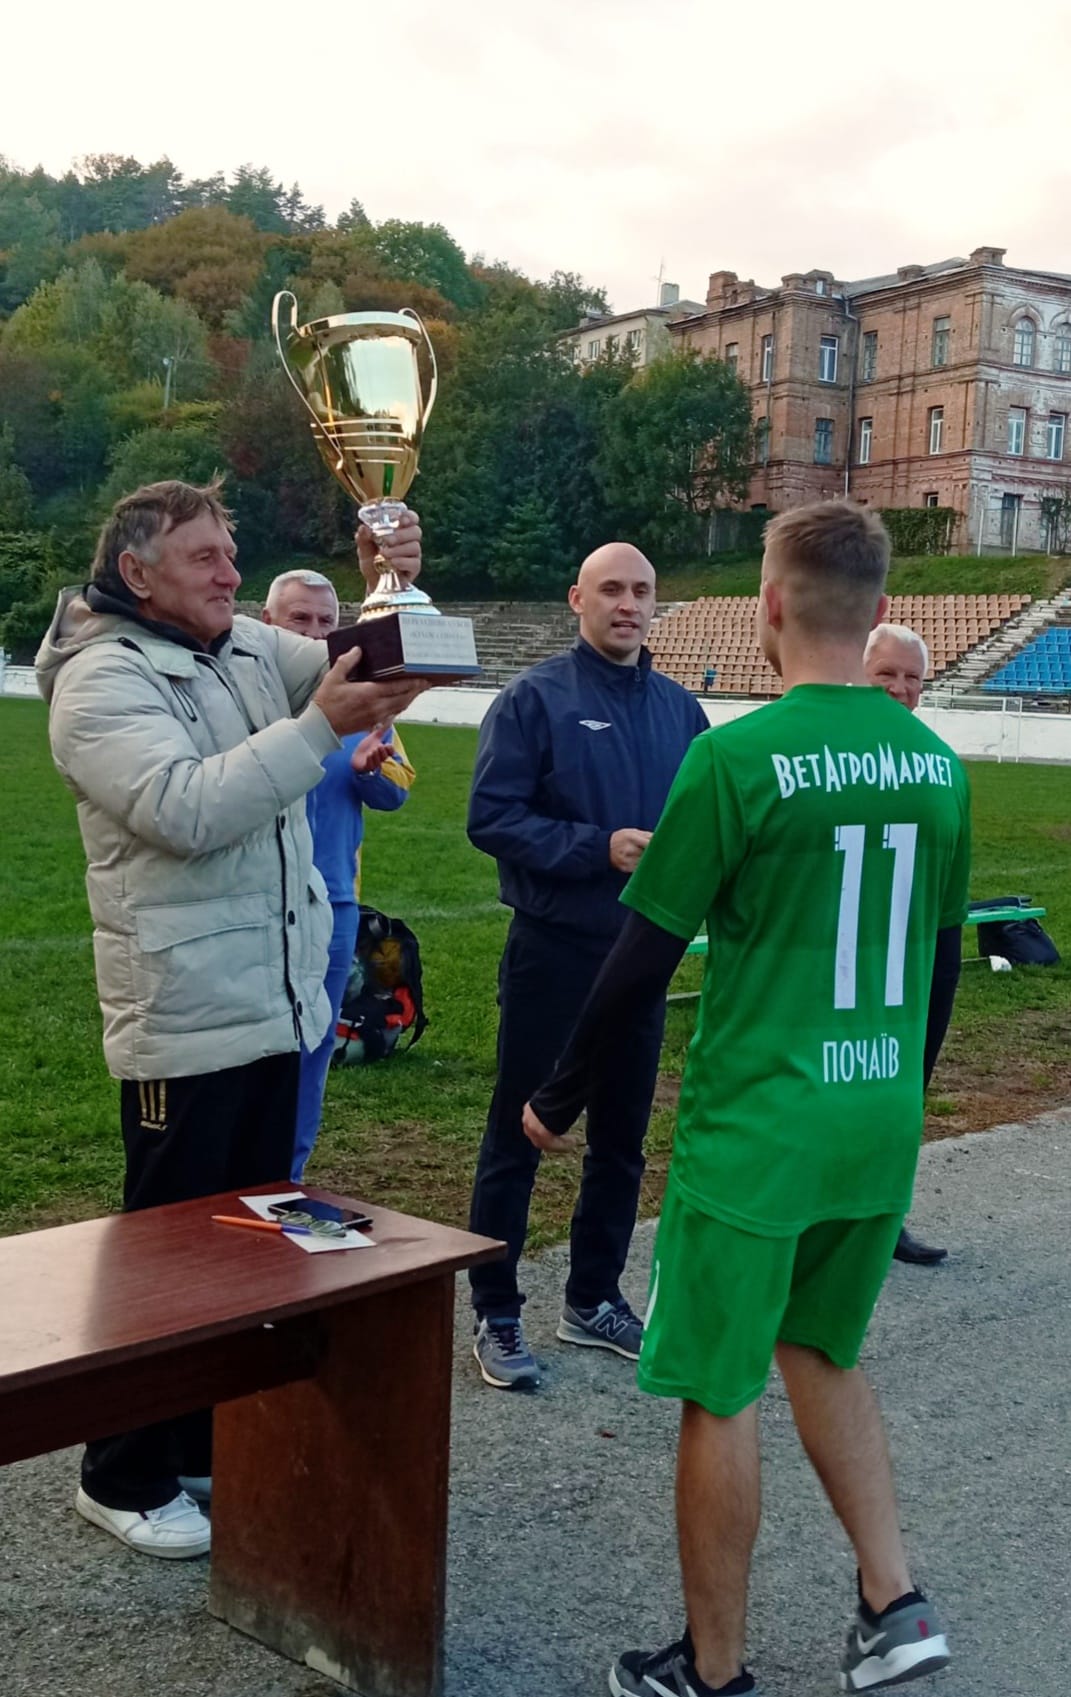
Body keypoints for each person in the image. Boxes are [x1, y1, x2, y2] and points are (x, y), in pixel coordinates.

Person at [524, 502, 969, 1695]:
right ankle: (895, 1600)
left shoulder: (736, 756)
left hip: (764, 1119)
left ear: (768, 605)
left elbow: (643, 952)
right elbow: (938, 964)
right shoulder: (935, 762)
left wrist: (559, 1092)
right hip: (876, 1112)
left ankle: (711, 1670)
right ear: (880, 611)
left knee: (720, 1388)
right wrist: (902, 1095)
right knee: (822, 1344)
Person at [35, 479, 424, 1560]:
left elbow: (373, 664)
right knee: (165, 1257)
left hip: (279, 999)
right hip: (187, 1008)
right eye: (204, 556)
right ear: (137, 571)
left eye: (231, 550)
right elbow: (185, 810)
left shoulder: (243, 646)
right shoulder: (101, 676)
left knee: (249, 1242)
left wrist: (393, 581)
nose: (230, 572)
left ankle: (195, 1435)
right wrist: (318, 728)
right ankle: (119, 1471)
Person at [466, 541, 709, 1391]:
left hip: (641, 957)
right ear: (577, 599)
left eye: (641, 590)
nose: (627, 604)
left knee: (621, 1138)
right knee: (519, 1131)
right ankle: (495, 1307)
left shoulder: (680, 711)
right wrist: (594, 847)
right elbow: (491, 817)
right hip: (554, 952)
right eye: (611, 589)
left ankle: (593, 1295)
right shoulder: (533, 698)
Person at [262, 567, 415, 1180]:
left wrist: (369, 770)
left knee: (315, 1042)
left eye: (326, 621)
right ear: (268, 623)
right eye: (300, 618)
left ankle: (289, 1174)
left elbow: (398, 793)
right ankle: (237, 1176)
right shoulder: (250, 699)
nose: (314, 632)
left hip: (332, 906)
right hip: (257, 902)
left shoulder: (363, 704)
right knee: (255, 1046)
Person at [864, 621, 949, 1267]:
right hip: (844, 957)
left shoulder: (934, 765)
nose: (899, 688)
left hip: (914, 954)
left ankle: (884, 1216)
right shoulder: (837, 757)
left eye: (911, 677)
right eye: (885, 674)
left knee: (901, 1094)